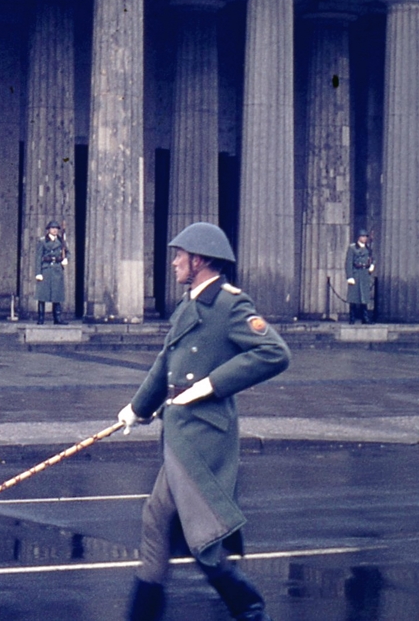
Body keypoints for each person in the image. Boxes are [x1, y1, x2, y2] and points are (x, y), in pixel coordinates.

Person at [118, 222, 291, 621]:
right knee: (157, 520)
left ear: (200, 260)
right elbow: (166, 365)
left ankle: (251, 609)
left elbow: (274, 353)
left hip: (205, 439)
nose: (175, 262)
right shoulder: (189, 305)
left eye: (180, 255)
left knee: (203, 538)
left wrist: (212, 385)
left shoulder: (231, 306)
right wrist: (137, 408)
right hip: (181, 434)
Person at [34, 219, 68, 325]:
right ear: (48, 230)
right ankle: (40, 318)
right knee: (42, 295)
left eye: (56, 228)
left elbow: (67, 252)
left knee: (57, 295)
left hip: (57, 269)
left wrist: (65, 258)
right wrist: (38, 272)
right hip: (46, 269)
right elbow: (38, 257)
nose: (54, 230)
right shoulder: (43, 241)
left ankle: (57, 318)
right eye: (52, 228)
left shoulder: (61, 241)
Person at [345, 230, 375, 324]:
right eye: (363, 236)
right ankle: (352, 317)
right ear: (359, 237)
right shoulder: (352, 248)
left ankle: (365, 317)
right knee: (353, 297)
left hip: (364, 274)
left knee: (364, 297)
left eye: (366, 236)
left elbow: (372, 259)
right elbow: (349, 263)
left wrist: (372, 266)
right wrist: (349, 276)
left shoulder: (368, 249)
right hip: (356, 273)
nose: (364, 238)